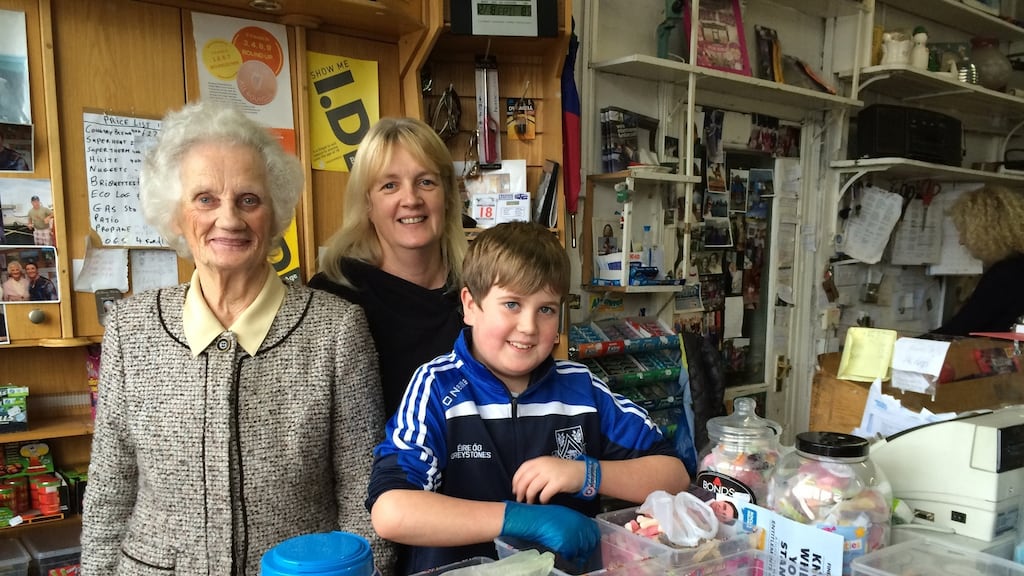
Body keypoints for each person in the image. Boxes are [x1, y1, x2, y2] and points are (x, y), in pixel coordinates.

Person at [81, 101, 392, 576]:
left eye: (249, 199)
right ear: (176, 214)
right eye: (205, 198)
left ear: (274, 211)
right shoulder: (130, 329)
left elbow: (364, 490)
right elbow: (109, 489)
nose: (229, 218)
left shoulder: (336, 329)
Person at [367, 221, 689, 574]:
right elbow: (391, 510)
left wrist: (586, 474)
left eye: (546, 309)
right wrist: (517, 518)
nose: (529, 327)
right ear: (470, 306)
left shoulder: (582, 389)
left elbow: (674, 475)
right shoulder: (437, 387)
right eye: (511, 304)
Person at [309, 117, 468, 418]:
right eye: (390, 185)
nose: (411, 199)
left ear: (447, 195)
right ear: (367, 202)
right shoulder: (333, 296)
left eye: (426, 182)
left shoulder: (481, 287)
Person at [934, 185, 1024, 336]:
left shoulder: (1006, 273)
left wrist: (900, 344)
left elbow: (961, 328)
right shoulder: (1016, 267)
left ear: (985, 232)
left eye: (964, 231)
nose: (961, 241)